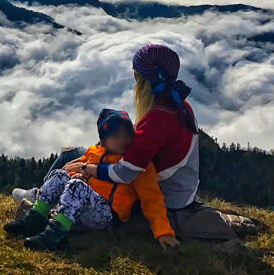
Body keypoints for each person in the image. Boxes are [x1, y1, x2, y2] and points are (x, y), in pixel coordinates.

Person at [65, 44, 238, 241]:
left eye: (135, 74)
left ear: (141, 79)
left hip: (167, 196)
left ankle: (43, 199)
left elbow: (124, 174)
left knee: (70, 155)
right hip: (183, 190)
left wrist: (87, 167)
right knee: (81, 154)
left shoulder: (157, 119)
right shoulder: (180, 103)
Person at [4, 109, 178, 252]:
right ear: (103, 140)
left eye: (127, 134)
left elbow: (152, 199)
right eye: (116, 135)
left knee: (77, 185)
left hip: (107, 216)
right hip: (83, 206)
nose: (123, 140)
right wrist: (79, 175)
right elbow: (71, 171)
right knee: (60, 175)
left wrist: (163, 232)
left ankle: (54, 236)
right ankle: (34, 219)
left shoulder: (137, 165)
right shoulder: (93, 152)